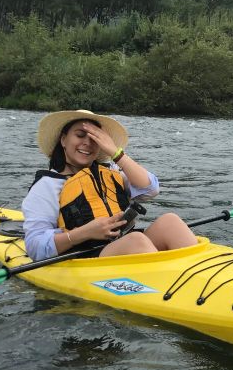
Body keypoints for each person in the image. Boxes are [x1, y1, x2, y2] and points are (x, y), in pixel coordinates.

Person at [22, 109, 197, 261]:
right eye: (80, 135)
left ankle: (199, 276)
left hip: (125, 246)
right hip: (85, 258)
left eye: (94, 138)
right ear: (63, 140)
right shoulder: (46, 186)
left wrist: (115, 152)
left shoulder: (111, 173)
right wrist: (86, 232)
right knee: (136, 241)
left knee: (170, 222)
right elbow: (35, 247)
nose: (87, 143)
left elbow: (150, 190)